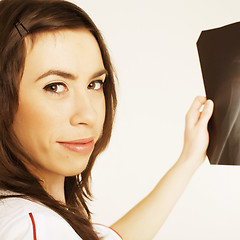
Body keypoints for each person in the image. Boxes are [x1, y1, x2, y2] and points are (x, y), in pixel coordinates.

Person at [0, 0, 214, 239]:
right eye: (55, 86)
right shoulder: (34, 226)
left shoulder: (22, 215)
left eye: (94, 84)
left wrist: (188, 160)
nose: (89, 114)